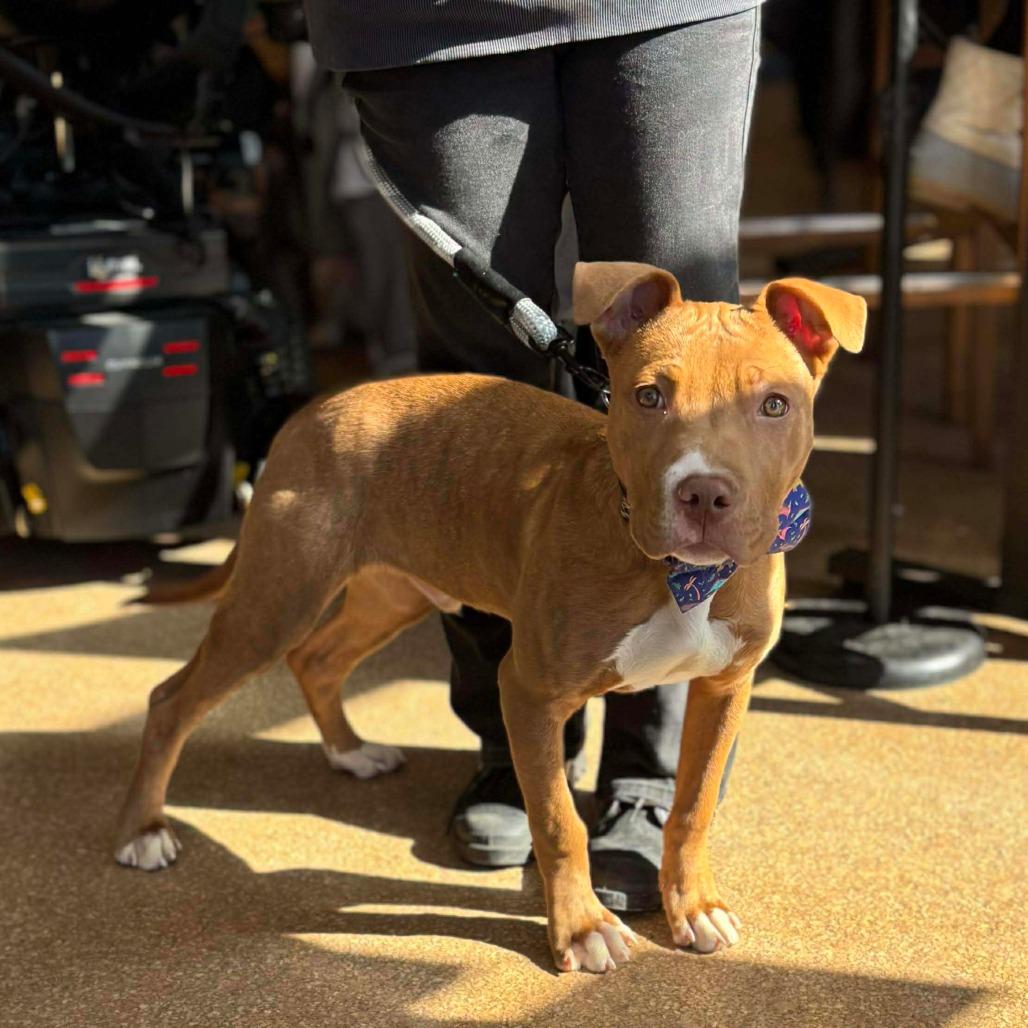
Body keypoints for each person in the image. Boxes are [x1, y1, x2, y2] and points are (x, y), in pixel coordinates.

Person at [301, 0, 763, 912]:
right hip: (434, 20)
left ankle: (649, 767)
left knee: (689, 348)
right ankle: (513, 741)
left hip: (672, 12)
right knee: (479, 379)